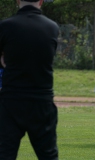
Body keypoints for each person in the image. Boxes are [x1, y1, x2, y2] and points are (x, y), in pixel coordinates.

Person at [0, 0, 59, 159]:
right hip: (42, 101)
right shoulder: (52, 27)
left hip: (11, 100)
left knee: (5, 154)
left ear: (17, 1)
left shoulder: (5, 26)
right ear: (41, 1)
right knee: (48, 156)